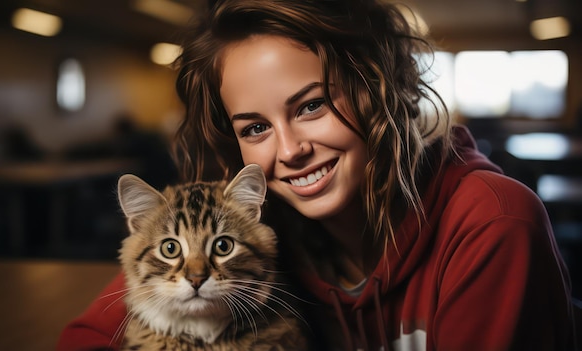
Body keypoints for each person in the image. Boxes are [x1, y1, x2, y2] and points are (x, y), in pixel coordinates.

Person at [57, 0, 578, 350]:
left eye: (311, 106)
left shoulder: (494, 223)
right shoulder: (252, 219)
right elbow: (93, 331)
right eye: (256, 126)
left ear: (376, 89)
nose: (289, 151)